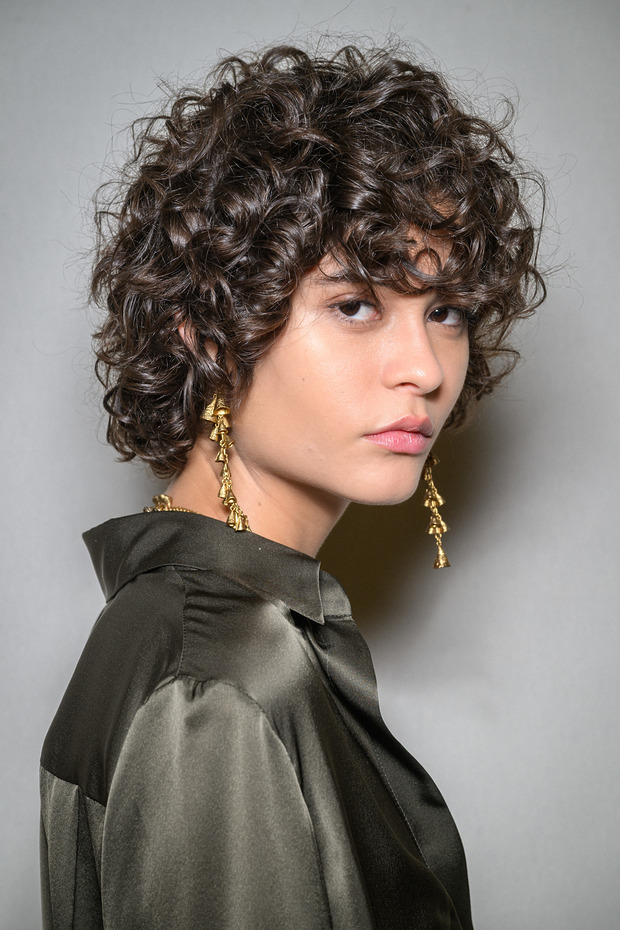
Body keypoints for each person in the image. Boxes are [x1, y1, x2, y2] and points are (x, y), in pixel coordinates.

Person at [39, 41, 544, 929]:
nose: (426, 368)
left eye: (446, 311)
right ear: (206, 330)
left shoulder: (176, 624)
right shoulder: (218, 689)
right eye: (355, 305)